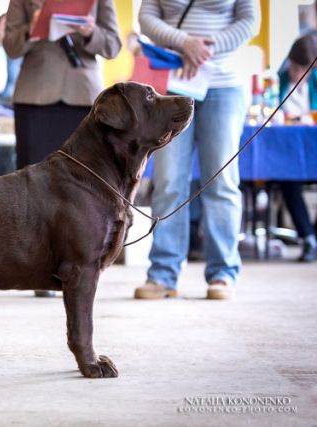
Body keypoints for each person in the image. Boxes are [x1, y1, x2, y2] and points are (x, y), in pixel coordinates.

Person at [134, 0, 259, 300]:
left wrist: (207, 48)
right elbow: (147, 16)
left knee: (222, 181)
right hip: (174, 85)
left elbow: (249, 20)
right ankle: (162, 273)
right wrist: (184, 42)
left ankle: (223, 273)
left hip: (224, 84)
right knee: (168, 181)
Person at [3, 0, 122, 296]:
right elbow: (10, 46)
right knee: (31, 189)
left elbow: (113, 45)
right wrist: (34, 28)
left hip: (83, 95)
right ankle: (35, 270)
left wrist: (90, 31)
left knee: (85, 189)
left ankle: (82, 263)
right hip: (35, 93)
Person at [278, 33, 317, 262]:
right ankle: (308, 237)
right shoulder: (278, 81)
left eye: (301, 68)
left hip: (313, 152)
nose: (295, 72)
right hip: (288, 154)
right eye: (293, 66)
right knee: (287, 179)